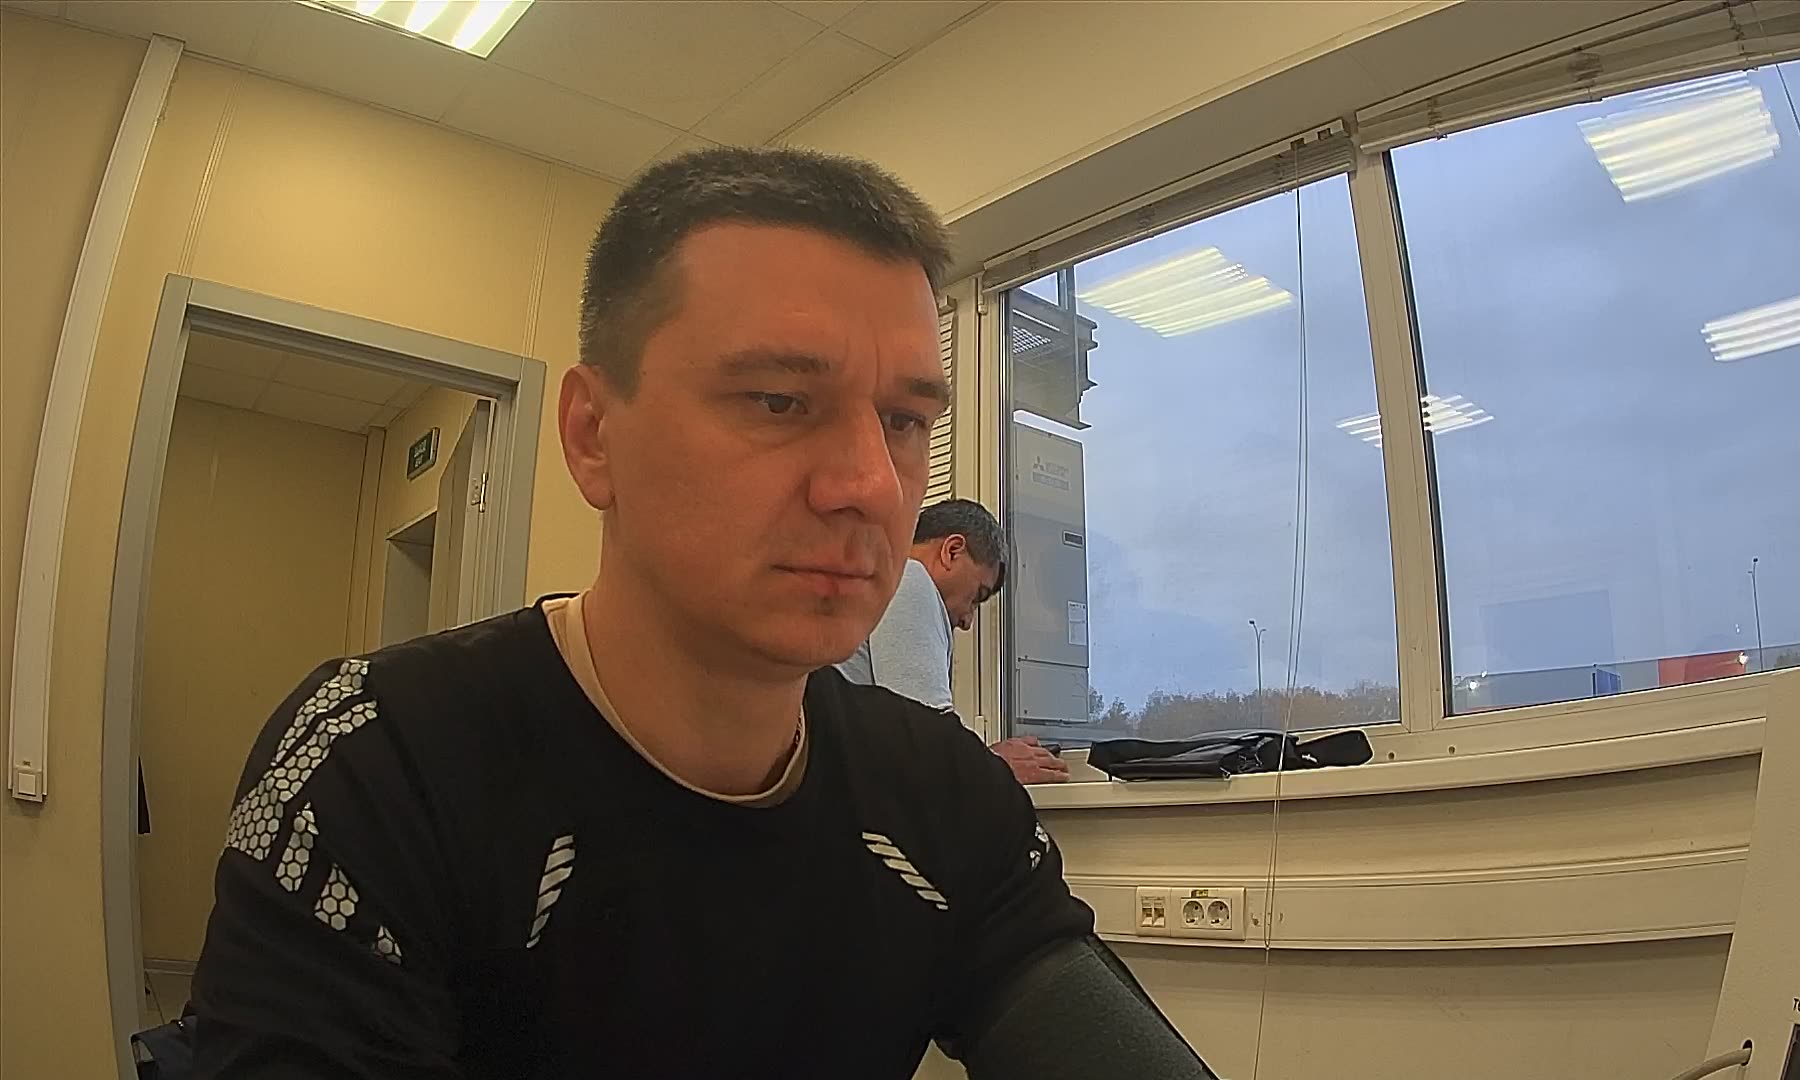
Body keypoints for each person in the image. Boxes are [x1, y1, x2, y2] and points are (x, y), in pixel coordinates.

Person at [191, 146, 1210, 1079]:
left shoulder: (944, 795)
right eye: (779, 401)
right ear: (594, 435)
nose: (868, 483)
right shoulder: (377, 762)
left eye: (904, 420)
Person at [838, 498, 1070, 784]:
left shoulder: (868, 585)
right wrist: (994, 766)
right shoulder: (910, 578)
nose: (967, 621)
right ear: (952, 551)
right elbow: (926, 741)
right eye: (977, 597)